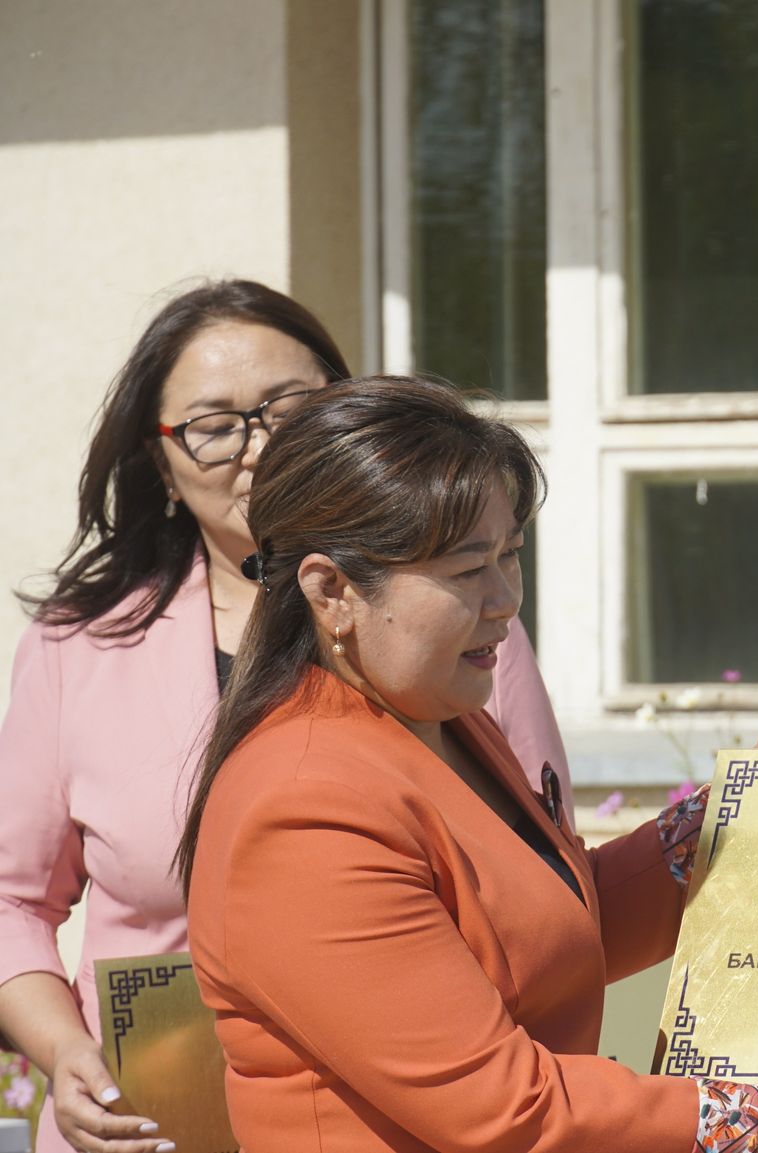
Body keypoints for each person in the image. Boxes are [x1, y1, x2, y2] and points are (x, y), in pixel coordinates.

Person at [178, 376, 758, 1153]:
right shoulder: (302, 807)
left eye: (511, 555)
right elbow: (506, 1108)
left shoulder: (441, 719)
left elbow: (556, 923)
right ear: (330, 591)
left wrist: (753, 810)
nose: (504, 599)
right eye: (466, 570)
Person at [0, 281, 570, 1153]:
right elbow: (12, 898)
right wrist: (63, 1049)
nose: (259, 447)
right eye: (214, 425)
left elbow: (538, 856)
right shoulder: (79, 645)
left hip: (407, 1110)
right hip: (148, 1120)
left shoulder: (457, 623)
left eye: (288, 408)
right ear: (161, 461)